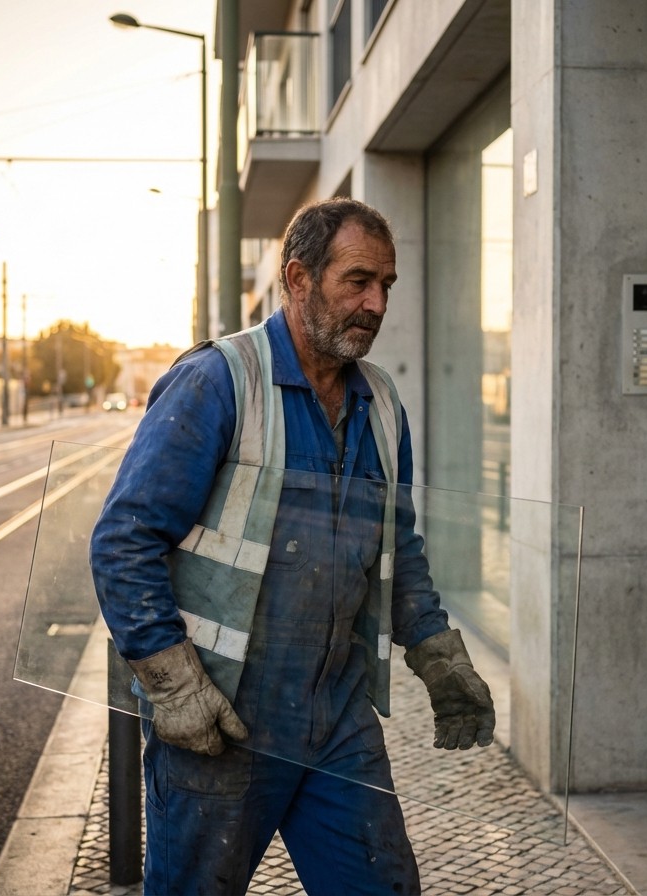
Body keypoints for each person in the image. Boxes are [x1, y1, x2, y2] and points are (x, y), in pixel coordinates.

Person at [90, 197, 495, 895]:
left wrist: (436, 654)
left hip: (335, 720)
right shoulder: (219, 382)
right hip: (221, 721)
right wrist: (173, 683)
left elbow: (397, 548)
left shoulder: (383, 405)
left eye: (386, 286)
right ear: (299, 278)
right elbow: (123, 541)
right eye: (358, 281)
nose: (376, 303)